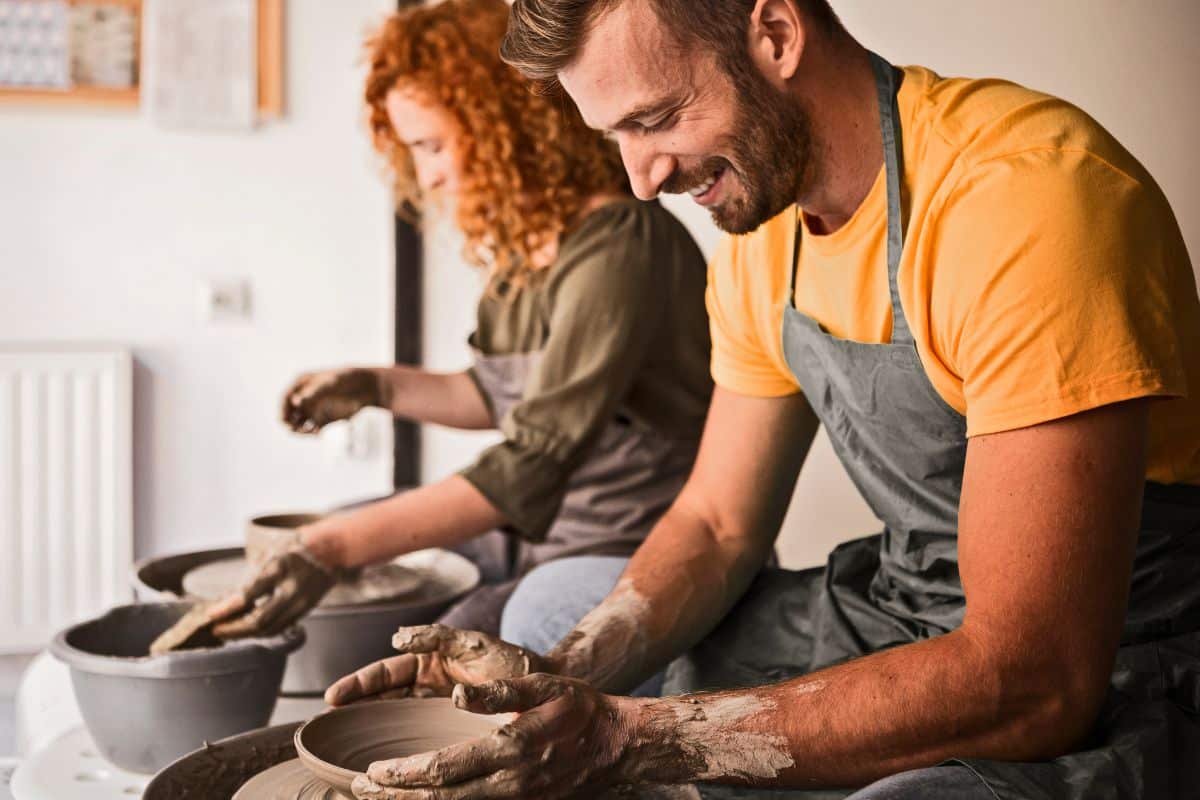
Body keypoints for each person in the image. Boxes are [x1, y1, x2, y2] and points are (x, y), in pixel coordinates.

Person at [327, 1, 1200, 799]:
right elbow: (717, 524)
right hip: (903, 607)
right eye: (616, 135)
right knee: (556, 605)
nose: (641, 179)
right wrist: (558, 680)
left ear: (776, 35)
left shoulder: (1026, 197)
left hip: (1112, 655)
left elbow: (1035, 674)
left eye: (656, 119)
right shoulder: (763, 231)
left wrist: (631, 739)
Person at [205, 0, 712, 642]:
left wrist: (329, 548)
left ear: (506, 122)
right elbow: (490, 395)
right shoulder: (528, 248)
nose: (428, 176)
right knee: (348, 527)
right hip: (538, 530)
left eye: (433, 146)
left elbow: (533, 459)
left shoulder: (621, 246)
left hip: (627, 543)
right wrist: (375, 386)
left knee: (453, 639)